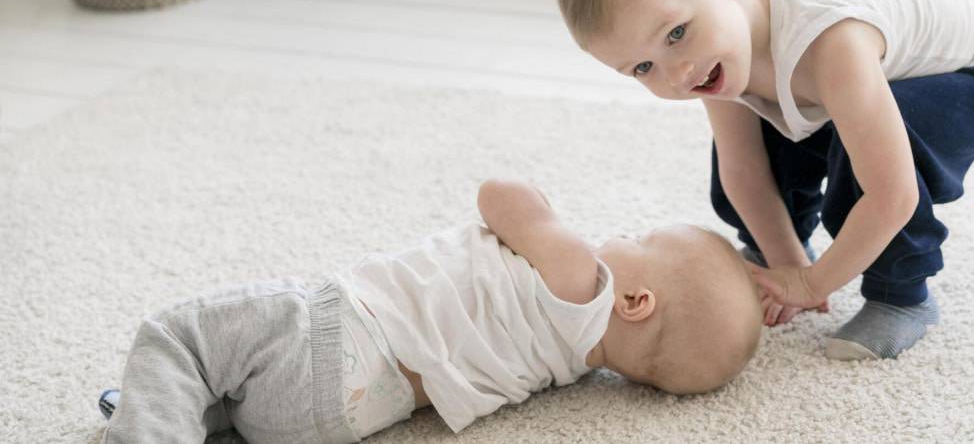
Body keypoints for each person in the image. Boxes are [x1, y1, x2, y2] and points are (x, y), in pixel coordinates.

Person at [550, 0, 974, 361]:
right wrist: (787, 261)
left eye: (676, 33)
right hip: (856, 72)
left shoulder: (832, 42)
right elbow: (743, 170)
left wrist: (810, 283)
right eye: (642, 67)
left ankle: (902, 296)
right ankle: (785, 243)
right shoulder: (711, 47)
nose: (677, 75)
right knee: (752, 151)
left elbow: (894, 193)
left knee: (870, 164)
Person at [97, 178, 762, 443]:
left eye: (643, 240)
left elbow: (501, 196)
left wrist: (548, 214)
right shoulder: (574, 364)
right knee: (232, 382)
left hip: (341, 330)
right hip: (352, 411)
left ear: (636, 300)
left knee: (177, 336)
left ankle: (151, 419)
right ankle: (164, 410)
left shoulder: (580, 274)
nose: (626, 233)